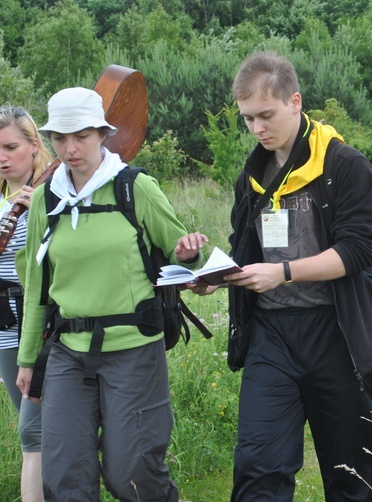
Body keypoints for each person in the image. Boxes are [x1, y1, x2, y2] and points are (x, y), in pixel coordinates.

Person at [188, 51, 372, 501]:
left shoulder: (345, 165)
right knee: (259, 466)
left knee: (351, 475)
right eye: (247, 120)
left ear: (295, 101)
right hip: (272, 337)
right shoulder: (252, 173)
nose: (257, 129)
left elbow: (357, 251)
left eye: (266, 115)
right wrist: (216, 277)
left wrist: (282, 273)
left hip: (338, 335)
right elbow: (246, 245)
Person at [15, 88, 208, 501]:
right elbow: (37, 287)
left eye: (81, 136)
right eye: (60, 138)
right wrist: (28, 359)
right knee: (65, 475)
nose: (70, 149)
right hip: (67, 350)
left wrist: (189, 252)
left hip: (133, 349)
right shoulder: (45, 201)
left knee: (132, 476)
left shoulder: (134, 188)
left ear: (102, 133)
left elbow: (179, 249)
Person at [0, 105, 48, 502]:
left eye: (10, 146)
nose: (2, 157)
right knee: (36, 430)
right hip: (3, 332)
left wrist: (44, 215)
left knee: (33, 433)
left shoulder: (54, 191)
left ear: (34, 146)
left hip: (43, 326)